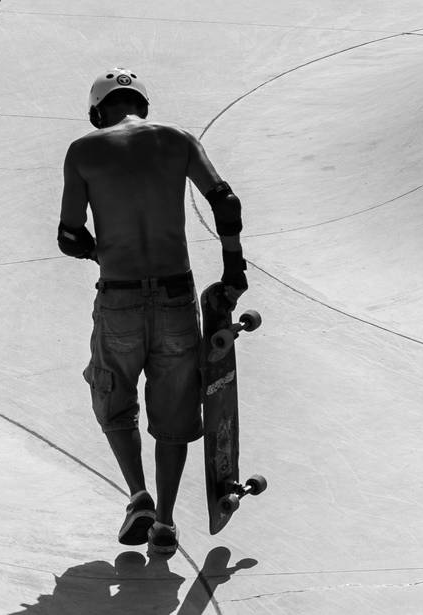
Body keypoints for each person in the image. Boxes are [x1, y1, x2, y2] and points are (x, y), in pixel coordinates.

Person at [56, 68, 249, 554]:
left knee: (113, 394)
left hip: (118, 296)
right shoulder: (178, 140)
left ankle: (137, 495)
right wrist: (233, 271)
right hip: (175, 298)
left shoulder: (84, 150)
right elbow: (224, 202)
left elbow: (69, 236)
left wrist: (102, 253)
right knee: (174, 410)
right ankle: (163, 521)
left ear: (100, 111)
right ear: (142, 104)